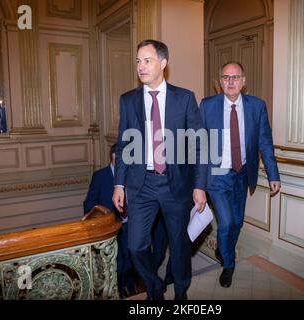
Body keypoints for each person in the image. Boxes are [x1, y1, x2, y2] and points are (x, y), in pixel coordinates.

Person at [113, 39, 207, 300]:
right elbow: (123, 145)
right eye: (138, 61)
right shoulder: (128, 100)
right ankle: (155, 289)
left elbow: (199, 145)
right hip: (140, 185)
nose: (140, 66)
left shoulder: (184, 98)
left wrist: (199, 186)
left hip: (175, 184)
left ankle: (181, 291)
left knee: (179, 245)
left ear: (163, 63)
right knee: (135, 246)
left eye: (147, 60)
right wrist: (118, 184)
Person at [199, 61, 281, 288]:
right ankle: (228, 263)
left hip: (242, 174)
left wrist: (273, 174)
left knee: (237, 222)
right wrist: (197, 184)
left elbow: (265, 141)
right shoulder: (207, 106)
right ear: (220, 82)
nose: (231, 81)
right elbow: (199, 145)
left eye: (235, 77)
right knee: (225, 223)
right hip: (217, 176)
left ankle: (221, 248)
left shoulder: (257, 106)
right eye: (226, 77)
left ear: (243, 81)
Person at [83, 143, 136, 299]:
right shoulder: (100, 176)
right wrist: (90, 219)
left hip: (129, 224)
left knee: (131, 258)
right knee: (117, 263)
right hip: (110, 228)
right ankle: (119, 291)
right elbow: (89, 202)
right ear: (114, 157)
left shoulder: (131, 174)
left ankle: (129, 285)